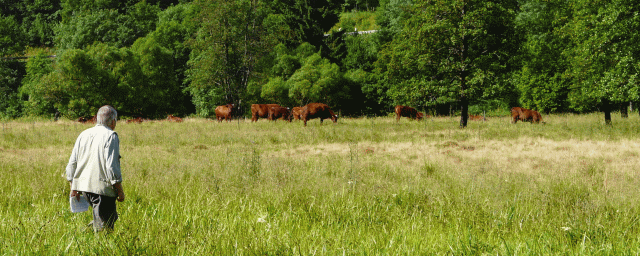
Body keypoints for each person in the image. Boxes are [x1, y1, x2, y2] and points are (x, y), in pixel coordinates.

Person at [66, 105, 125, 232]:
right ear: (113, 120)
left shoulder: (84, 134)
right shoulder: (111, 135)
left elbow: (72, 163)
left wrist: (73, 187)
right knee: (104, 227)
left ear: (97, 119)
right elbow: (112, 167)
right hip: (102, 189)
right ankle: (88, 239)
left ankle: (85, 234)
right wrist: (120, 190)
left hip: (85, 188)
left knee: (106, 217)